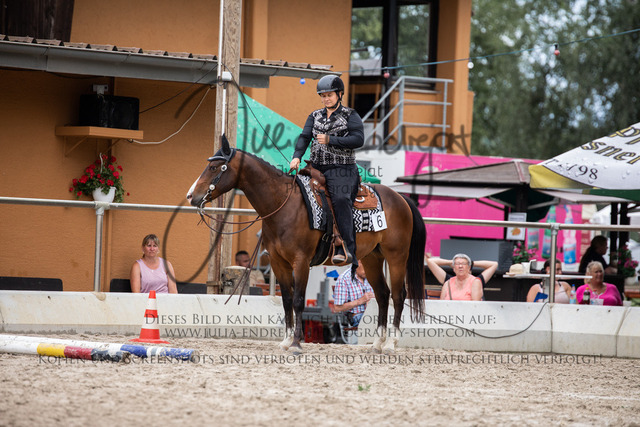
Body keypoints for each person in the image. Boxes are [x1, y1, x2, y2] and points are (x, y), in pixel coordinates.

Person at [289, 75, 364, 267]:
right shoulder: (314, 115)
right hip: (316, 167)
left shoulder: (350, 115)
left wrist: (331, 140)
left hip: (342, 169)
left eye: (329, 95)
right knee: (295, 193)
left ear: (339, 94)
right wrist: (297, 156)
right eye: (323, 96)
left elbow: (358, 139)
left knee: (340, 199)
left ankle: (346, 247)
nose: (326, 99)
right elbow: (305, 137)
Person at [426, 254, 497, 301]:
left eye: (464, 264)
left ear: (469, 268)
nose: (460, 266)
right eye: (457, 264)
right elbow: (430, 261)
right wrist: (451, 262)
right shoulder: (448, 281)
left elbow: (494, 264)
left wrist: (471, 263)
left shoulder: (476, 281)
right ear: (453, 268)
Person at [332, 261, 374, 327]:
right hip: (357, 316)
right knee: (379, 323)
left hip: (374, 313)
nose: (368, 272)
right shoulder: (344, 279)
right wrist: (360, 301)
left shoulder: (371, 275)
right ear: (359, 262)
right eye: (366, 268)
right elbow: (337, 308)